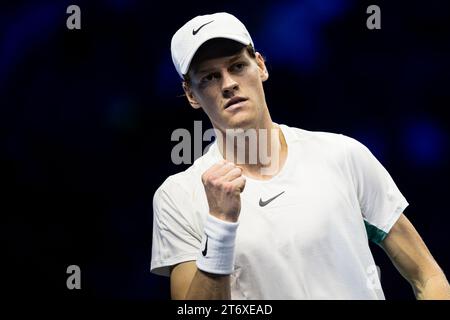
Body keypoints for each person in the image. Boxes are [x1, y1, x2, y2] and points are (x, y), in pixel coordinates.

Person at [150, 12, 450, 300]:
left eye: (237, 67)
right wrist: (219, 227)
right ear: (191, 94)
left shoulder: (343, 155)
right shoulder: (177, 196)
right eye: (210, 77)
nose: (228, 84)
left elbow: (428, 277)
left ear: (261, 66)